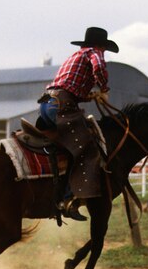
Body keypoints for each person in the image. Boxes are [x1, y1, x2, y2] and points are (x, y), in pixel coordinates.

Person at [38, 27, 118, 222]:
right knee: (87, 149)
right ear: (100, 45)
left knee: (61, 146)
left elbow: (69, 87)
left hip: (48, 104)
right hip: (61, 106)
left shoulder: (76, 56)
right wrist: (104, 88)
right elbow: (99, 67)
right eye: (104, 48)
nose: (103, 52)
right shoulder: (94, 53)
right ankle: (69, 199)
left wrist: (91, 96)